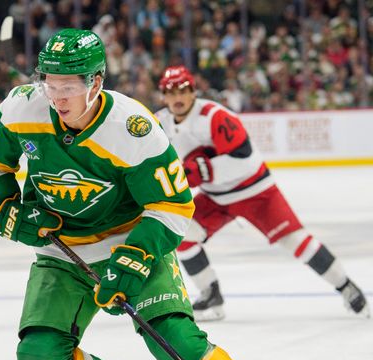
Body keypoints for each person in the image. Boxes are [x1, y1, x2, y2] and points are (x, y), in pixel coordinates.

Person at [0, 29, 311, 360]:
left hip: (134, 241)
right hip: (63, 252)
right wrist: (7, 207)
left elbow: (172, 207)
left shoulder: (132, 128)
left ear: (96, 82)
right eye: (50, 83)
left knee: (177, 345)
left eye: (69, 86)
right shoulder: (22, 108)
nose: (58, 97)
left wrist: (131, 262)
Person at [155, 65, 368, 321]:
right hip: (215, 196)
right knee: (182, 234)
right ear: (163, 96)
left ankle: (346, 286)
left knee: (296, 241)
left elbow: (244, 158)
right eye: (170, 92)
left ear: (193, 91)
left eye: (182, 90)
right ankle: (210, 294)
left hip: (255, 191)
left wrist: (201, 170)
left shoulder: (214, 116)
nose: (177, 97)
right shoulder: (159, 123)